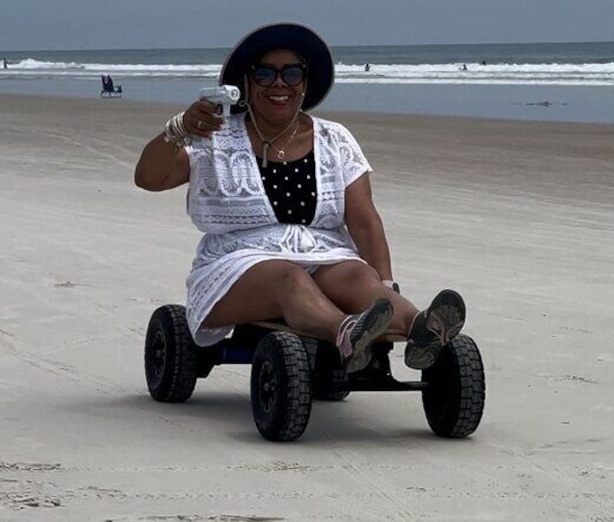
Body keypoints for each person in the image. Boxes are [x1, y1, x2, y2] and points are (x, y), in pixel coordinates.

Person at [134, 23, 466, 374]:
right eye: (265, 74)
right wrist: (180, 129)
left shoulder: (334, 138)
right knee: (289, 278)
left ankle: (423, 328)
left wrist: (384, 282)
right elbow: (148, 179)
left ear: (305, 83)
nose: (280, 84)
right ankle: (346, 335)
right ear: (246, 83)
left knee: (357, 277)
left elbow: (364, 218)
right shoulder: (214, 136)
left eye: (292, 74)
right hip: (236, 265)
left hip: (322, 253)